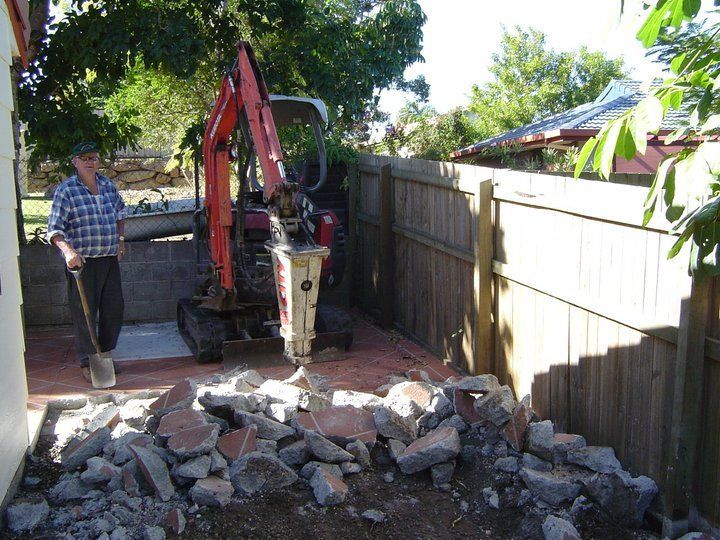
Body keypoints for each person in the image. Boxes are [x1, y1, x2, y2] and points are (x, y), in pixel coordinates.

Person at [47, 142, 127, 383]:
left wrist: (121, 241)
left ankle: (105, 354)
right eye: (84, 158)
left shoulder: (107, 185)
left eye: (93, 157)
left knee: (114, 309)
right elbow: (55, 229)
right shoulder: (66, 190)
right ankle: (87, 360)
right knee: (85, 313)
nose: (90, 162)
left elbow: (120, 213)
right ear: (75, 162)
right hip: (82, 263)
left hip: (109, 259)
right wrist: (67, 251)